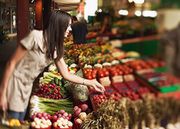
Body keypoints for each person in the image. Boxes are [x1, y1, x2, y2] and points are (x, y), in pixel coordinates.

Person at [0, 10, 105, 120]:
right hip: (14, 84)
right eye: (68, 25)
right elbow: (11, 63)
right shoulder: (35, 36)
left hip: (27, 87)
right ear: (59, 24)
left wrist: (90, 82)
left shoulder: (54, 47)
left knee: (19, 120)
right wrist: (2, 94)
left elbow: (66, 74)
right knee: (13, 120)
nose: (70, 29)